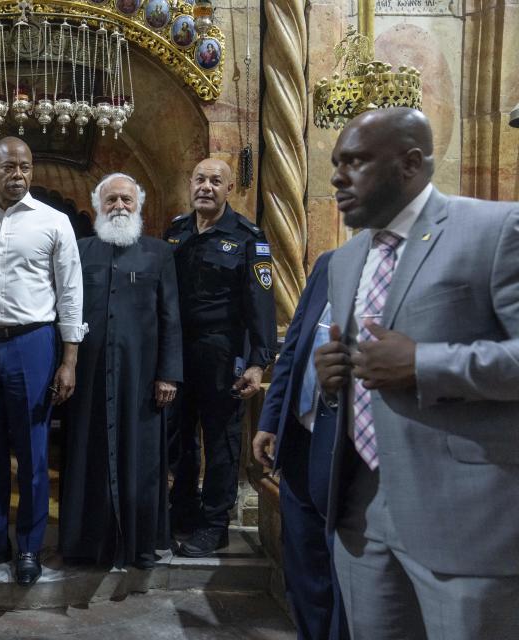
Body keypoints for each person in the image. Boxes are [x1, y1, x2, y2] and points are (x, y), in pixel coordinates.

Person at [315, 107, 519, 638]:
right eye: (337, 162)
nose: (336, 177)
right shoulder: (345, 260)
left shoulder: (495, 230)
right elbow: (366, 376)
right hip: (362, 516)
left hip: (465, 524)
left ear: (409, 164)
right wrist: (333, 380)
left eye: (354, 161)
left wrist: (424, 364)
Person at [0, 137, 85, 586]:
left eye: (25, 166)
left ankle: (28, 547)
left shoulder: (54, 222)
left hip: (34, 343)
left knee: (32, 451)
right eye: (9, 166)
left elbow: (70, 294)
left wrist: (69, 361)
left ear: (32, 170)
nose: (18, 174)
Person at [60, 173, 182, 570]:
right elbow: (65, 310)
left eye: (127, 200)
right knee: (85, 456)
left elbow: (171, 317)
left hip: (141, 380)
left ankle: (139, 544)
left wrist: (168, 374)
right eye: (111, 200)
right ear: (97, 205)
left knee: (142, 460)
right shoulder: (79, 251)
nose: (119, 207)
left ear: (139, 205)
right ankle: (85, 544)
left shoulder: (159, 254)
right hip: (89, 376)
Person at [164, 157, 277, 557]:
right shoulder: (176, 232)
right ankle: (184, 512)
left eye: (216, 181)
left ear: (230, 189)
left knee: (221, 441)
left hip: (222, 351)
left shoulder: (248, 237)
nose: (206, 187)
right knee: (179, 437)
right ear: (189, 184)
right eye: (200, 179)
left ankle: (215, 525)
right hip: (178, 353)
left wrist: (258, 361)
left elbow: (261, 304)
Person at [252, 252, 348, 640]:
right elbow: (293, 346)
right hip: (298, 439)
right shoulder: (330, 263)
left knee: (340, 573)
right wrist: (271, 420)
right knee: (304, 567)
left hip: (343, 448)